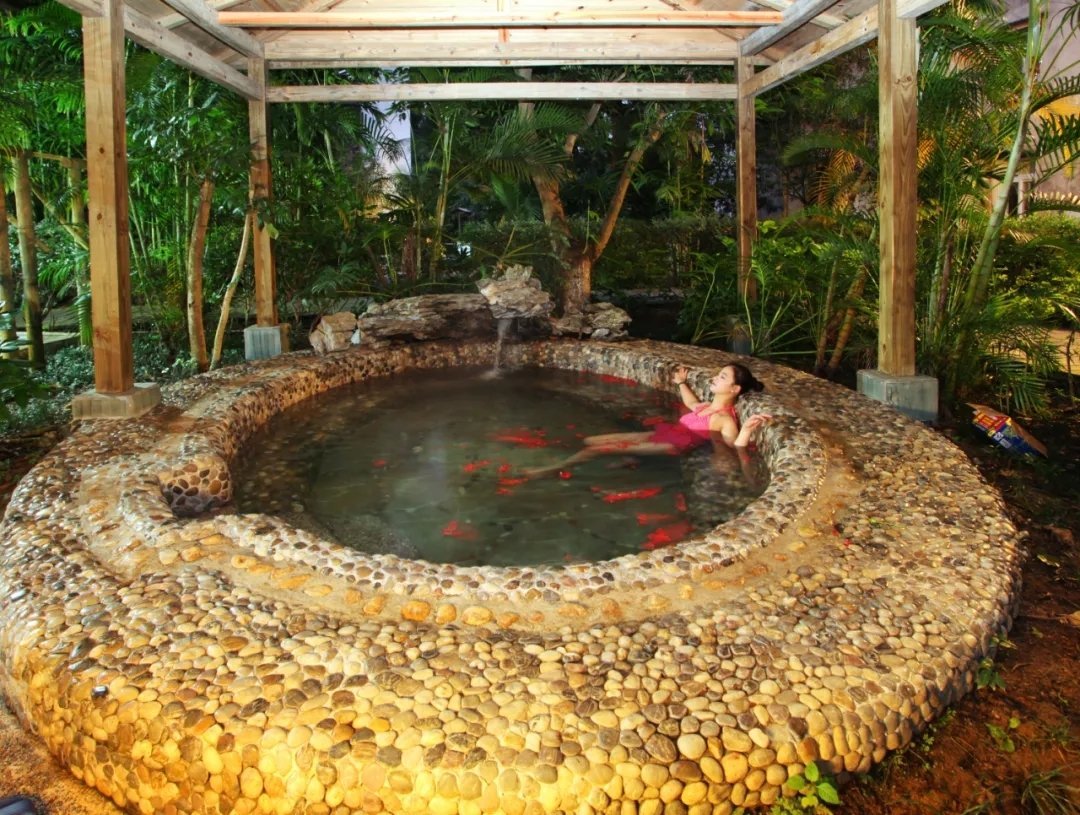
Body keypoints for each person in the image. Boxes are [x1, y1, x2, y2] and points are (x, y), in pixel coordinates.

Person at [525, 363, 771, 476]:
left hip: (674, 445)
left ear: (735, 389)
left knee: (597, 449)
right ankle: (632, 459)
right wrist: (681, 383)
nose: (715, 378)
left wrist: (747, 430)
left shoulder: (724, 419)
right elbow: (692, 404)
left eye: (722, 377)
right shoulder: (707, 406)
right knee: (591, 440)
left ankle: (548, 470)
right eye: (718, 374)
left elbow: (733, 446)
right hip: (664, 433)